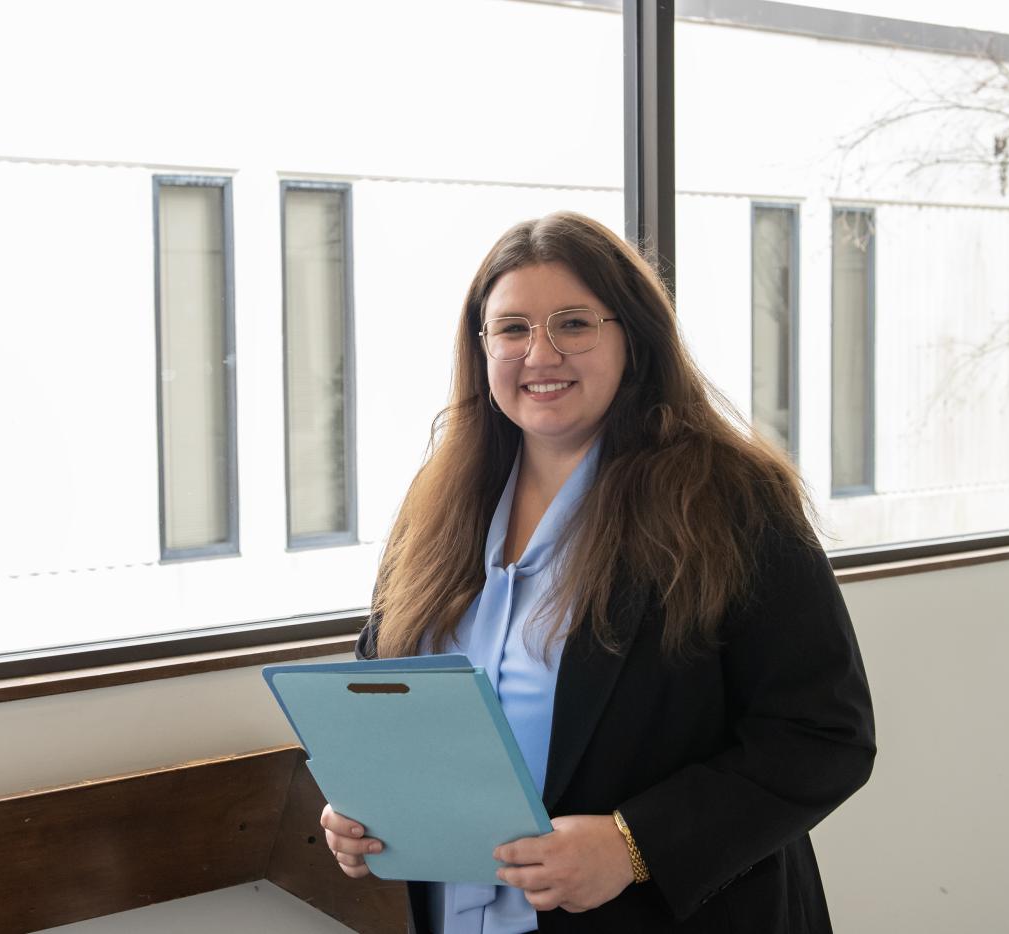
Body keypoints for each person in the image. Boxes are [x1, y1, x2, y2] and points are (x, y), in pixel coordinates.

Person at [319, 211, 875, 934]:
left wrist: (633, 844)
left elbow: (824, 735)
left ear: (633, 339)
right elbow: (384, 687)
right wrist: (362, 802)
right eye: (512, 330)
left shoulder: (729, 500)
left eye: (573, 324)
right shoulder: (438, 504)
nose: (539, 353)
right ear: (481, 348)